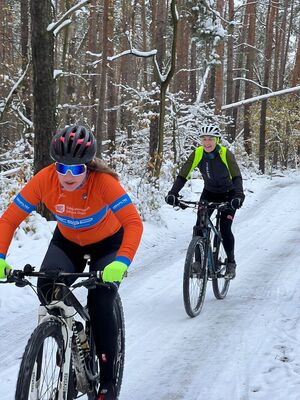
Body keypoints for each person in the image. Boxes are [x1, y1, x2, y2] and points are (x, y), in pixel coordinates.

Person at [0, 125, 143, 400]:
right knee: (46, 287)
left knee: (101, 302)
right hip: (68, 241)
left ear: (87, 167)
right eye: (62, 168)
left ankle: (107, 383)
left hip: (108, 243)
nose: (67, 175)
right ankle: (66, 335)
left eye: (76, 170)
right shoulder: (44, 180)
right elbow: (9, 219)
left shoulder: (104, 183)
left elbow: (133, 223)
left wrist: (122, 262)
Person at [165, 124, 244, 280]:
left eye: (210, 139)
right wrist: (173, 192)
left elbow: (236, 176)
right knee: (199, 226)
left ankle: (231, 263)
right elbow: (183, 175)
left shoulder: (225, 154)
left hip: (229, 194)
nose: (207, 143)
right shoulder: (198, 153)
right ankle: (198, 263)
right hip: (209, 193)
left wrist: (239, 196)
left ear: (217, 140)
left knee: (225, 229)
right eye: (204, 139)